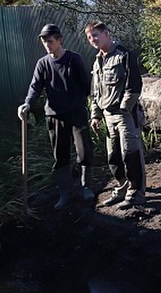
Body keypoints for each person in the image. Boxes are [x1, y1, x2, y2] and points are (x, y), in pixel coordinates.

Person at [18, 24, 94, 209]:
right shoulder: (43, 63)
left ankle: (86, 187)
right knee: (60, 156)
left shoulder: (74, 59)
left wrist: (90, 105)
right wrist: (28, 103)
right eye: (44, 41)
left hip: (76, 113)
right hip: (54, 115)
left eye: (50, 41)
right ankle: (65, 194)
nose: (47, 45)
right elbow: (35, 86)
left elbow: (87, 84)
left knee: (84, 151)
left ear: (60, 40)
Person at [86, 21, 146, 209]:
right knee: (114, 157)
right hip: (107, 116)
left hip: (125, 116)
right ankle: (122, 187)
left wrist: (124, 108)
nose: (92, 40)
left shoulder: (125, 55)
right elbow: (95, 91)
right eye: (89, 37)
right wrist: (95, 115)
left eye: (95, 35)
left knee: (131, 155)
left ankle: (136, 193)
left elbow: (134, 86)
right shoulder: (98, 61)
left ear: (106, 33)